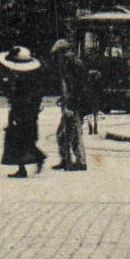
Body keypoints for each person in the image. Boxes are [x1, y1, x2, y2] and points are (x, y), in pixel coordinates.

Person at [0, 46, 46, 177]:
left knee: (20, 139)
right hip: (28, 113)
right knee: (24, 139)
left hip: (22, 112)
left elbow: (20, 97)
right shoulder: (31, 77)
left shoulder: (23, 80)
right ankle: (25, 165)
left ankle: (33, 160)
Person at [49, 39, 89, 171]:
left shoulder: (72, 64)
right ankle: (67, 160)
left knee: (72, 134)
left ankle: (79, 161)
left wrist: (70, 105)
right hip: (71, 104)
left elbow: (75, 87)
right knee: (64, 133)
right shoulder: (69, 63)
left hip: (74, 105)